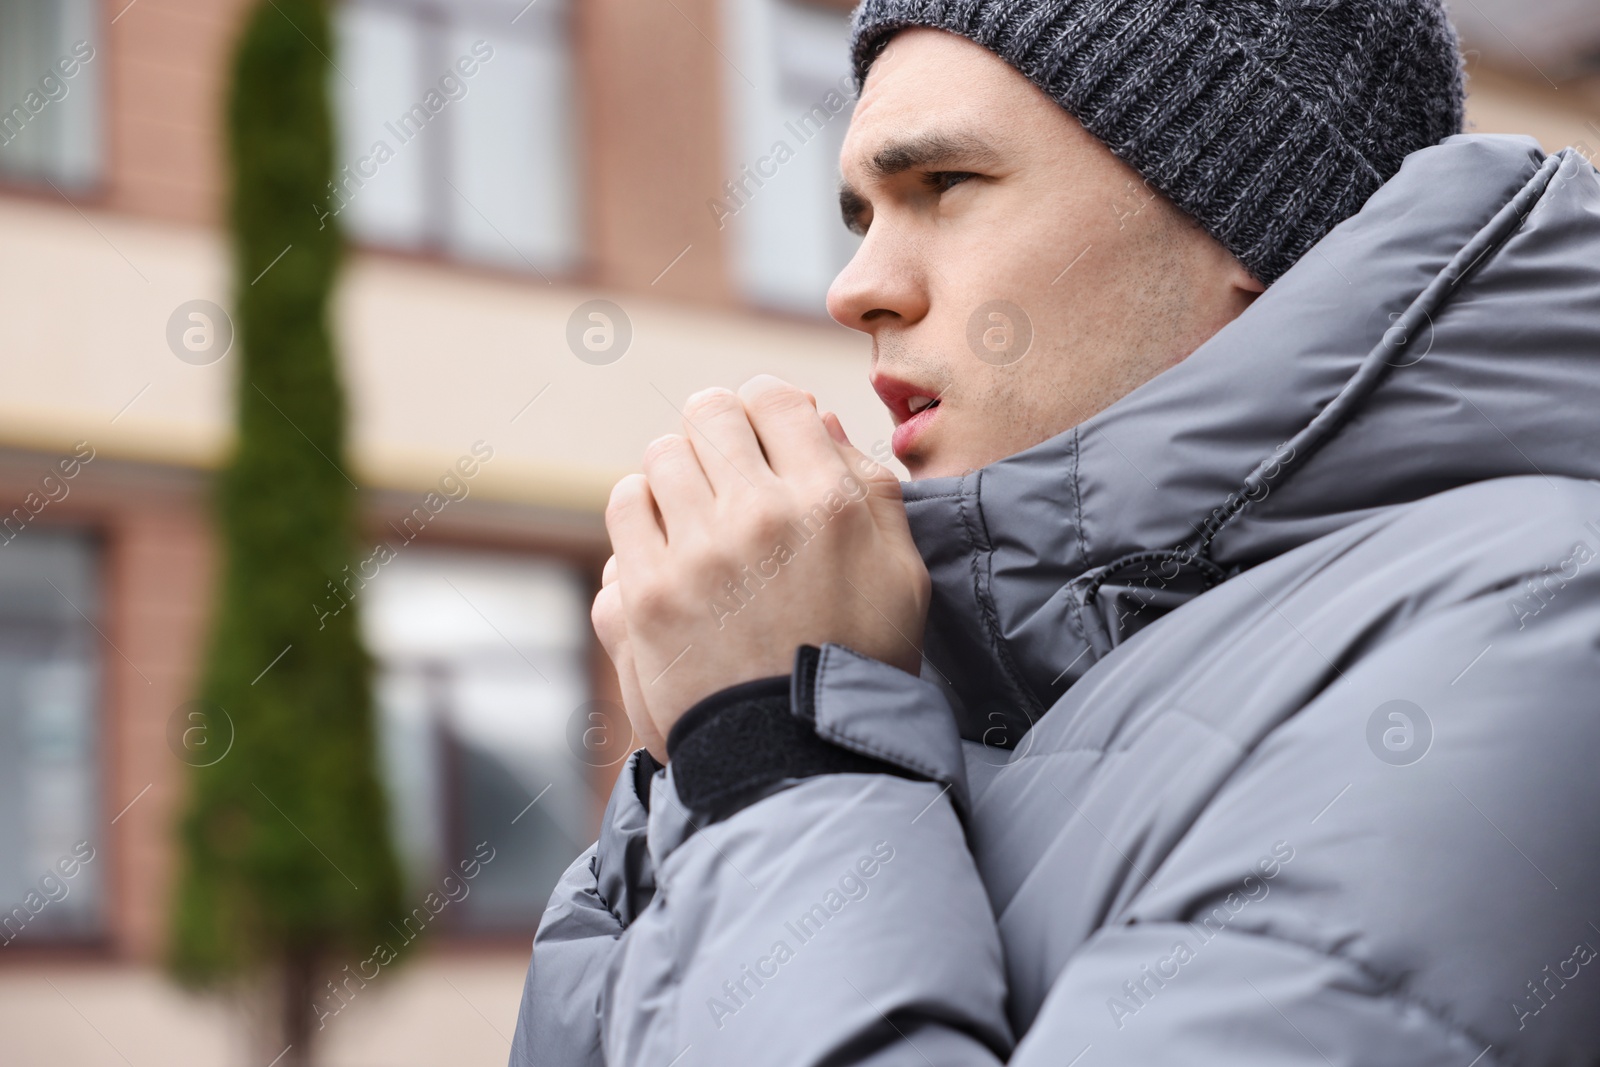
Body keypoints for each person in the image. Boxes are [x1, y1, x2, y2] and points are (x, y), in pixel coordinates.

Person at [513, 1, 1600, 1063]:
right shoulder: (949, 676)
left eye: (942, 185)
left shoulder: (1534, 629)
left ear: (1246, 219)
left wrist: (773, 758)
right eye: (860, 215)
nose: (855, 290)